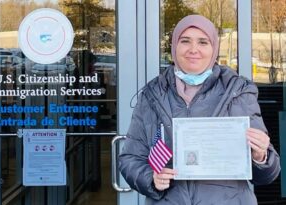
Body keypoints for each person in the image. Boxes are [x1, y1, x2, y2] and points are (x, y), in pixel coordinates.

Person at [118, 15, 281, 205]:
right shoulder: (152, 94)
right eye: (185, 41)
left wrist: (260, 156)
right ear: (174, 47)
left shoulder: (238, 91)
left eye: (203, 42)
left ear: (214, 49)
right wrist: (150, 178)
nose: (193, 49)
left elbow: (268, 175)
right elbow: (130, 159)